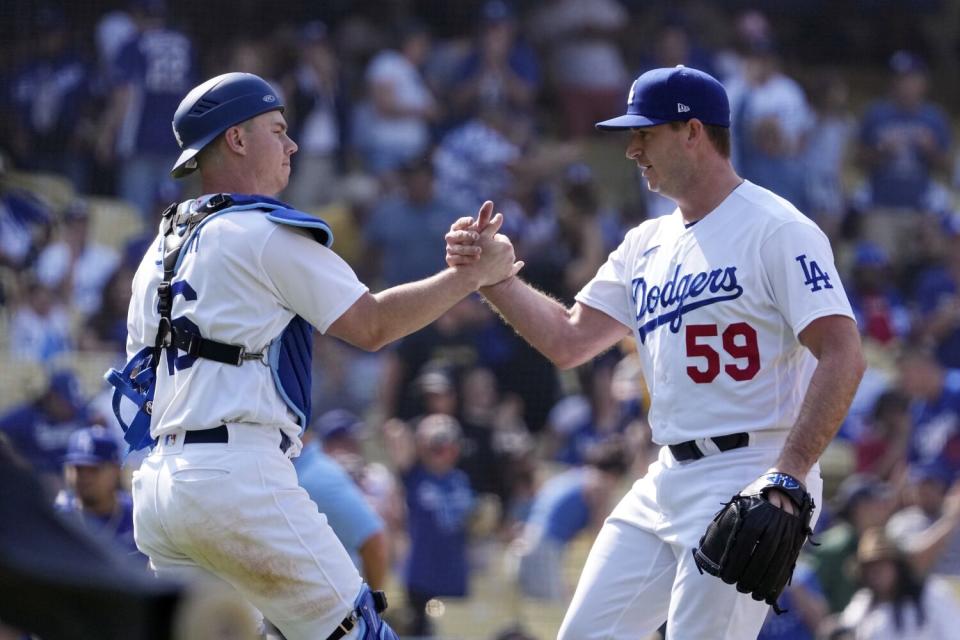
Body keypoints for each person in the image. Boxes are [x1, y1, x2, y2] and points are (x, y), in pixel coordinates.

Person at [446, 65, 865, 639]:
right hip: (665, 476)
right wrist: (496, 281)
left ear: (693, 131)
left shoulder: (777, 228)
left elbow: (843, 353)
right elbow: (570, 340)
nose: (632, 149)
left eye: (645, 133)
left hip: (751, 470)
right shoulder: (646, 241)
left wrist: (789, 476)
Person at [116, 72, 521, 640]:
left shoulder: (156, 251)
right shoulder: (260, 231)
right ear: (236, 139)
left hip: (159, 489)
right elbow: (373, 325)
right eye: (277, 130)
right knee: (360, 633)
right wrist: (470, 275)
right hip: (236, 477)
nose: (292, 145)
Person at [293, 411, 389, 590]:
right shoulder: (305, 471)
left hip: (332, 605)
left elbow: (374, 540)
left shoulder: (318, 476)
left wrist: (372, 610)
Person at [838, 527, 958, 639]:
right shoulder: (863, 603)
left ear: (898, 566)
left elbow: (954, 634)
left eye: (882, 565)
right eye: (870, 568)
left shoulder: (931, 593)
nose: (876, 573)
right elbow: (843, 629)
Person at [54, 426, 144, 562]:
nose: (84, 477)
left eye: (93, 469)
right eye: (78, 468)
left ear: (116, 470)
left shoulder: (138, 515)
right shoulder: (58, 517)